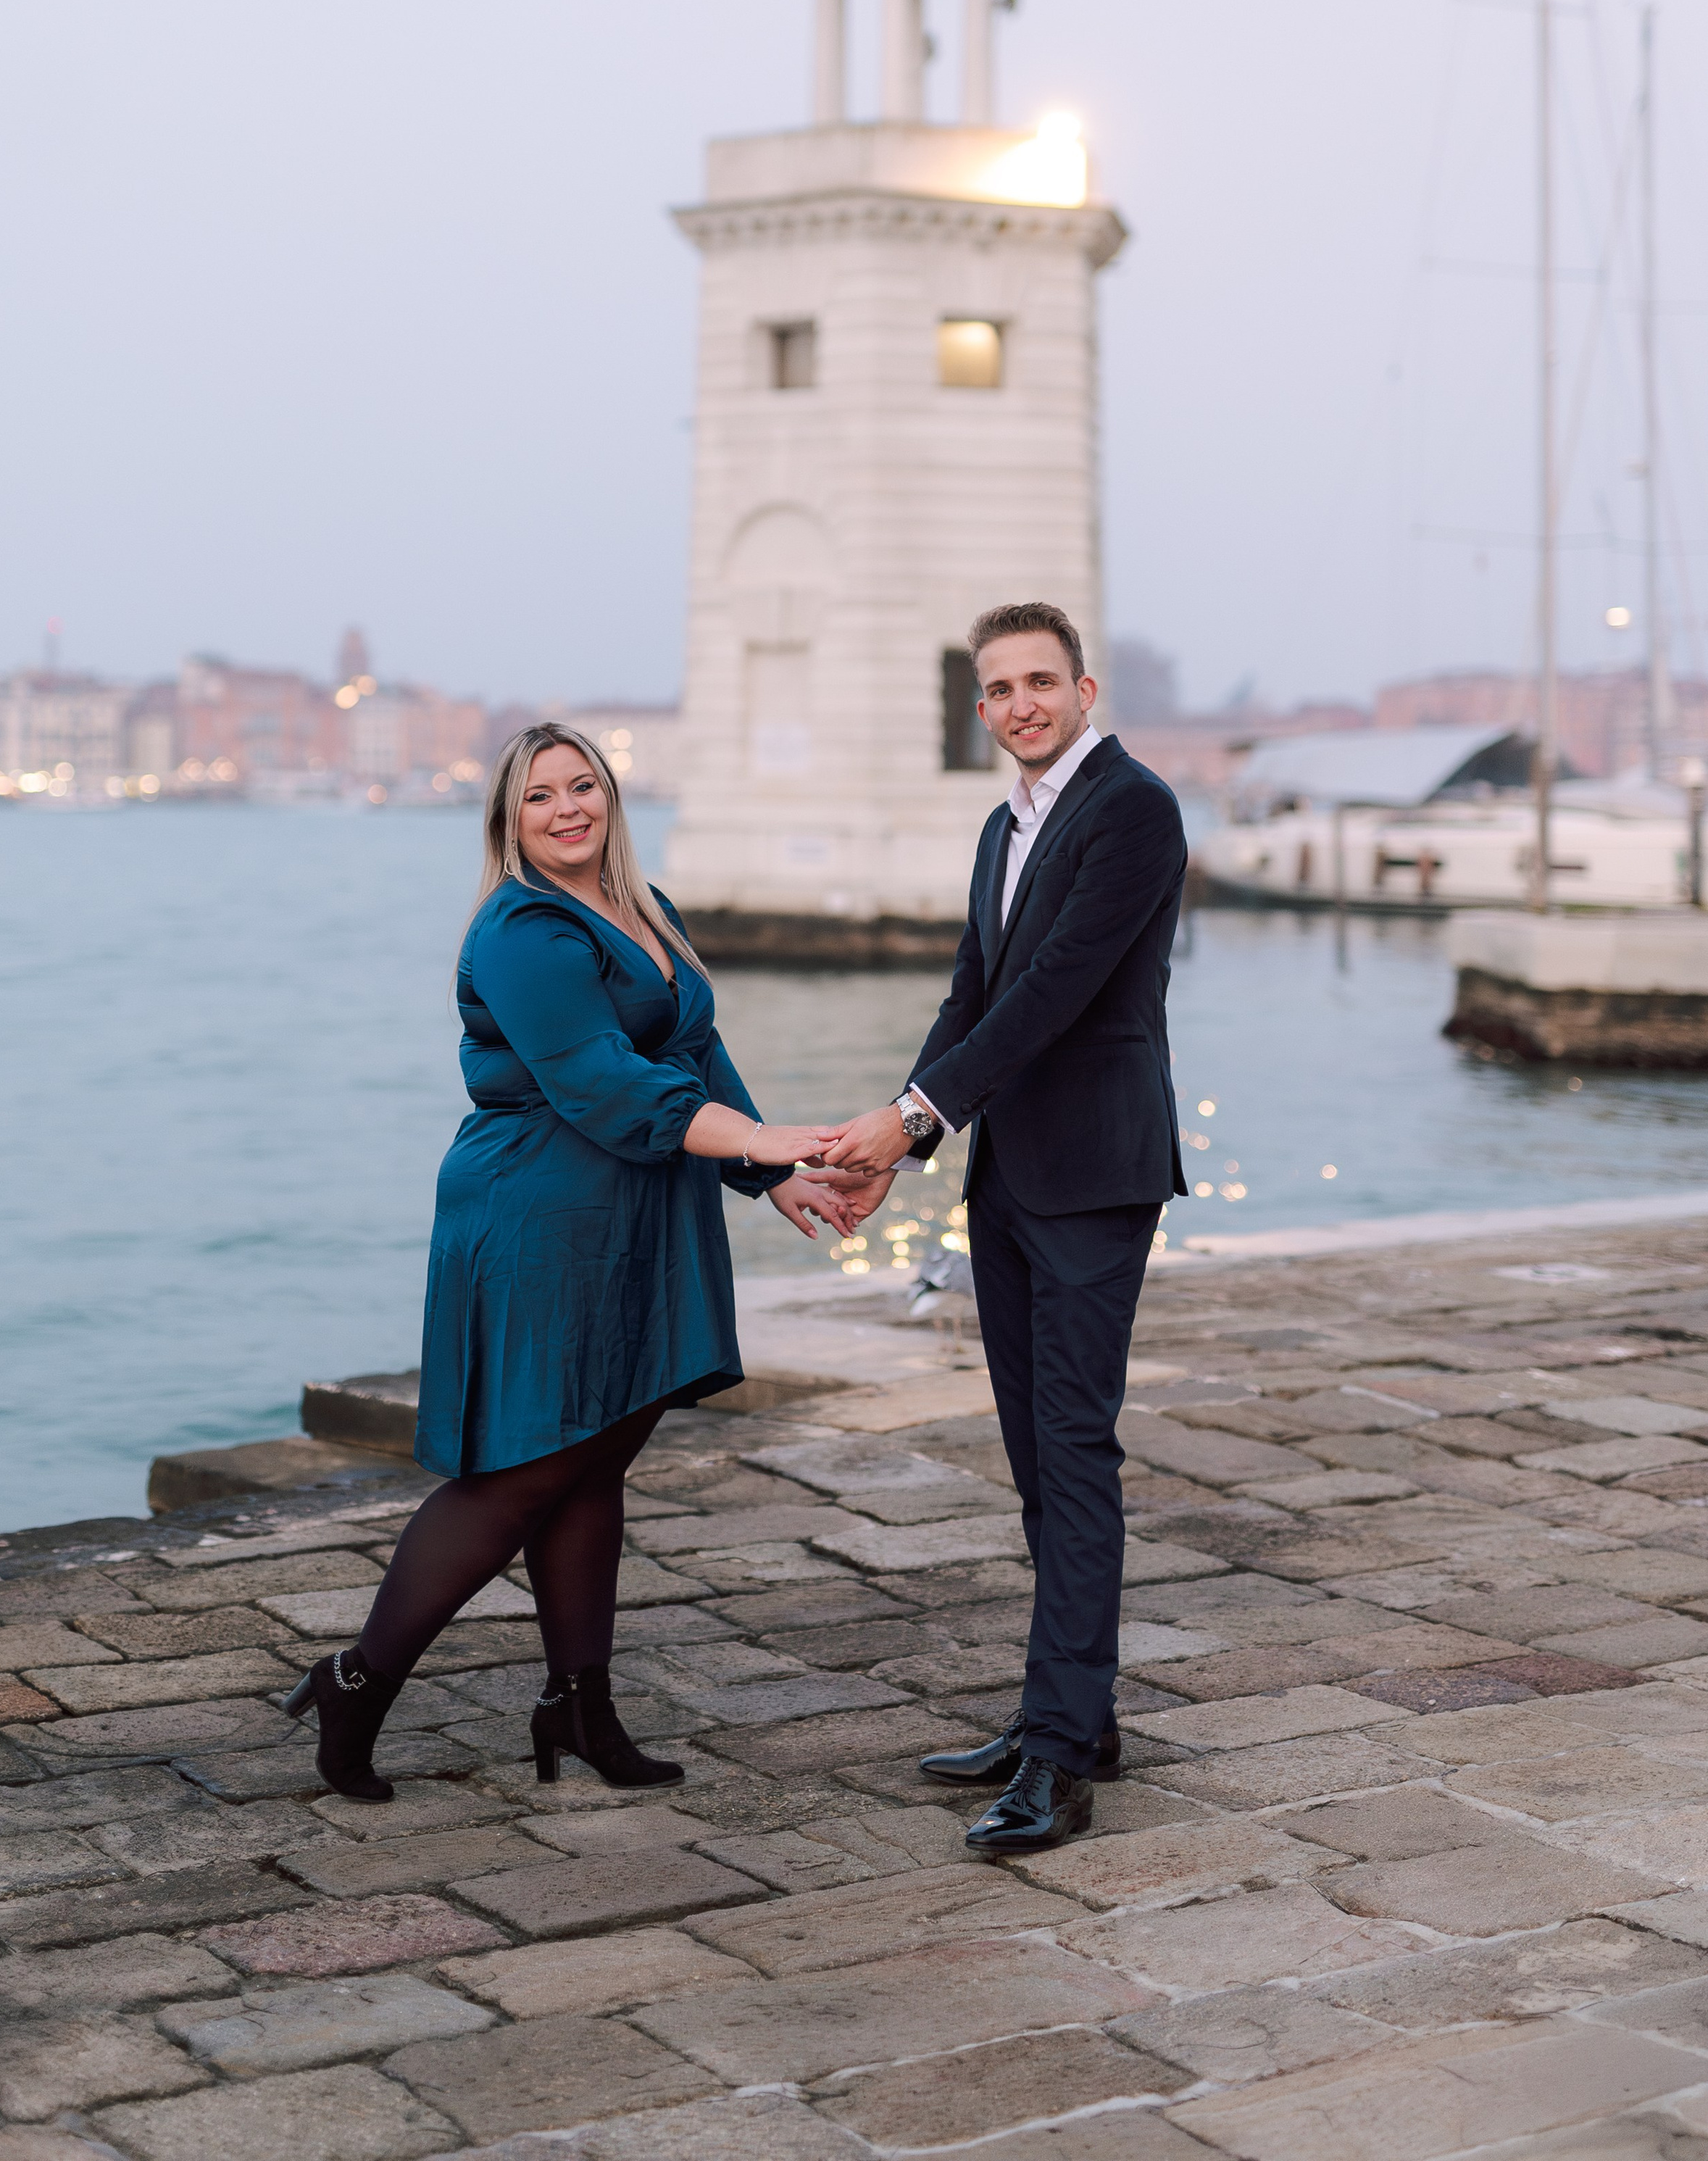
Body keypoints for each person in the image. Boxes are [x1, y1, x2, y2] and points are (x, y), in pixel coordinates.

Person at [283, 722, 851, 1802]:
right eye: (539, 796)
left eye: (582, 786)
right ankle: (356, 1680)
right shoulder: (519, 932)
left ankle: (578, 1708)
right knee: (523, 1472)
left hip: (643, 1210)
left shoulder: (645, 907)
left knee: (598, 1459)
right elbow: (599, 1077)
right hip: (542, 1215)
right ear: (509, 820)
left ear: (611, 796)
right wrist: (759, 1143)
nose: (566, 809)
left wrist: (765, 1171)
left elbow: (694, 1052)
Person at [821, 604, 1186, 1853]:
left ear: (1084, 688)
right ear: (981, 710)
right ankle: (1072, 1716)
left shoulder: (1133, 810)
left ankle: (1058, 1757)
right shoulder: (1003, 825)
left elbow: (1053, 996)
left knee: (1074, 1455)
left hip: (1094, 1173)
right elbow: (972, 992)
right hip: (1009, 1176)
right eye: (1000, 690)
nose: (1022, 704)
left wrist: (911, 1112)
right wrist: (900, 1149)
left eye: (1042, 681)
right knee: (1038, 1461)